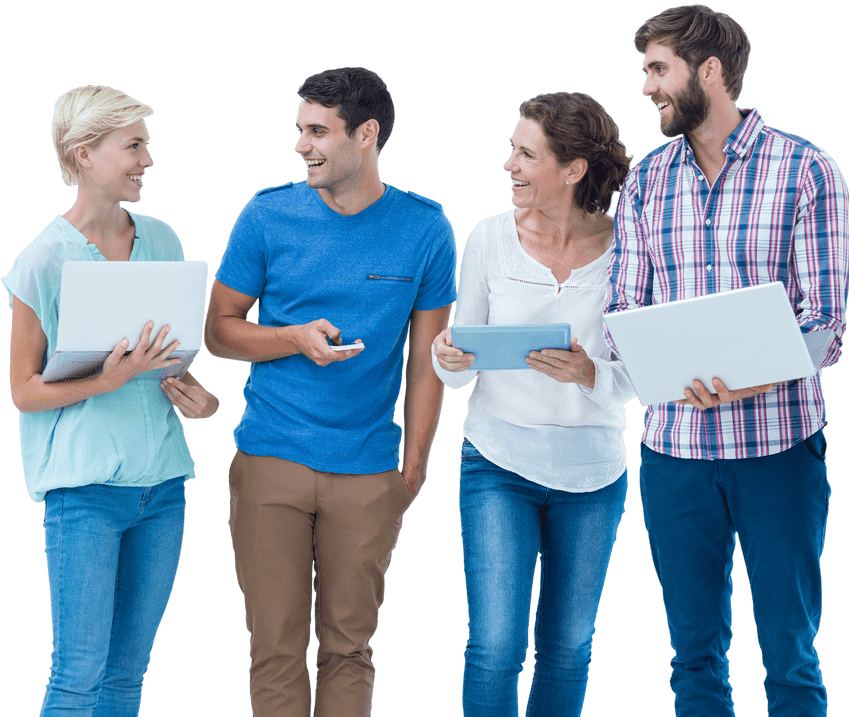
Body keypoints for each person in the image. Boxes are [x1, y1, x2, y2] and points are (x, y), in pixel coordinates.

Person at [607, 7, 849, 716]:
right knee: (693, 658)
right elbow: (623, 312)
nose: (648, 86)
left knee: (790, 654)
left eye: (659, 69)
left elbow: (825, 320)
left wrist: (747, 374)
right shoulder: (647, 184)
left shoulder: (806, 169)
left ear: (707, 72)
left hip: (778, 450)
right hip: (675, 455)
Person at [204, 67, 456, 717]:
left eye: (318, 131)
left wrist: (415, 463)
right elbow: (219, 330)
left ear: (366, 134)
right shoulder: (267, 213)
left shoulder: (425, 228)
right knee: (276, 648)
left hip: (370, 471)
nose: (301, 145)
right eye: (300, 130)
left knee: (348, 649)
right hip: (270, 461)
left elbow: (429, 359)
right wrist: (291, 338)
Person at [3, 85, 218, 717]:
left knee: (126, 677)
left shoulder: (163, 240)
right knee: (77, 676)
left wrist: (198, 401)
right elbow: (23, 390)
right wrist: (106, 380)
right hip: (86, 497)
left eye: (146, 145)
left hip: (164, 491)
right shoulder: (41, 261)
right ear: (84, 153)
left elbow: (177, 364)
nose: (147, 160)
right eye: (133, 146)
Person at [431, 92, 633, 717]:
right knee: (494, 645)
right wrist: (449, 356)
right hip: (498, 461)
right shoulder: (491, 237)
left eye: (526, 153)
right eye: (511, 150)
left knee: (569, 647)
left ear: (572, 169)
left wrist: (588, 372)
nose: (508, 165)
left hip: (593, 471)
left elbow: (646, 371)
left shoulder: (631, 244)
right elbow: (457, 364)